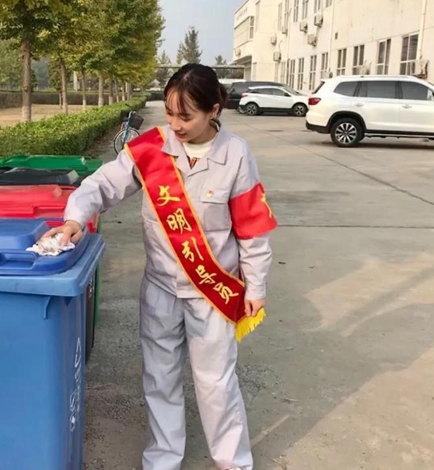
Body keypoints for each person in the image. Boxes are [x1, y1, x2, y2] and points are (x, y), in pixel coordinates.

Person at [47, 63, 276, 470]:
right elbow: (102, 184)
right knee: (160, 378)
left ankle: (234, 462)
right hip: (161, 288)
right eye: (169, 113)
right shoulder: (152, 148)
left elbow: (252, 228)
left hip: (211, 291)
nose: (175, 125)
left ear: (214, 110)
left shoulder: (236, 154)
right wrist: (75, 218)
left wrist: (255, 287)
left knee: (216, 383)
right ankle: (163, 460)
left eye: (186, 116)